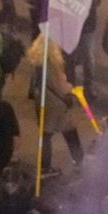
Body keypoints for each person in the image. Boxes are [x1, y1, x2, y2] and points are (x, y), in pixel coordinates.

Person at [26, 37, 82, 176]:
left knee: (46, 134)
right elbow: (60, 86)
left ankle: (45, 167)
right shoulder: (51, 62)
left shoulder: (39, 59)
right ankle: (80, 161)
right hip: (56, 105)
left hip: (44, 102)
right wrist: (70, 88)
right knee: (70, 132)